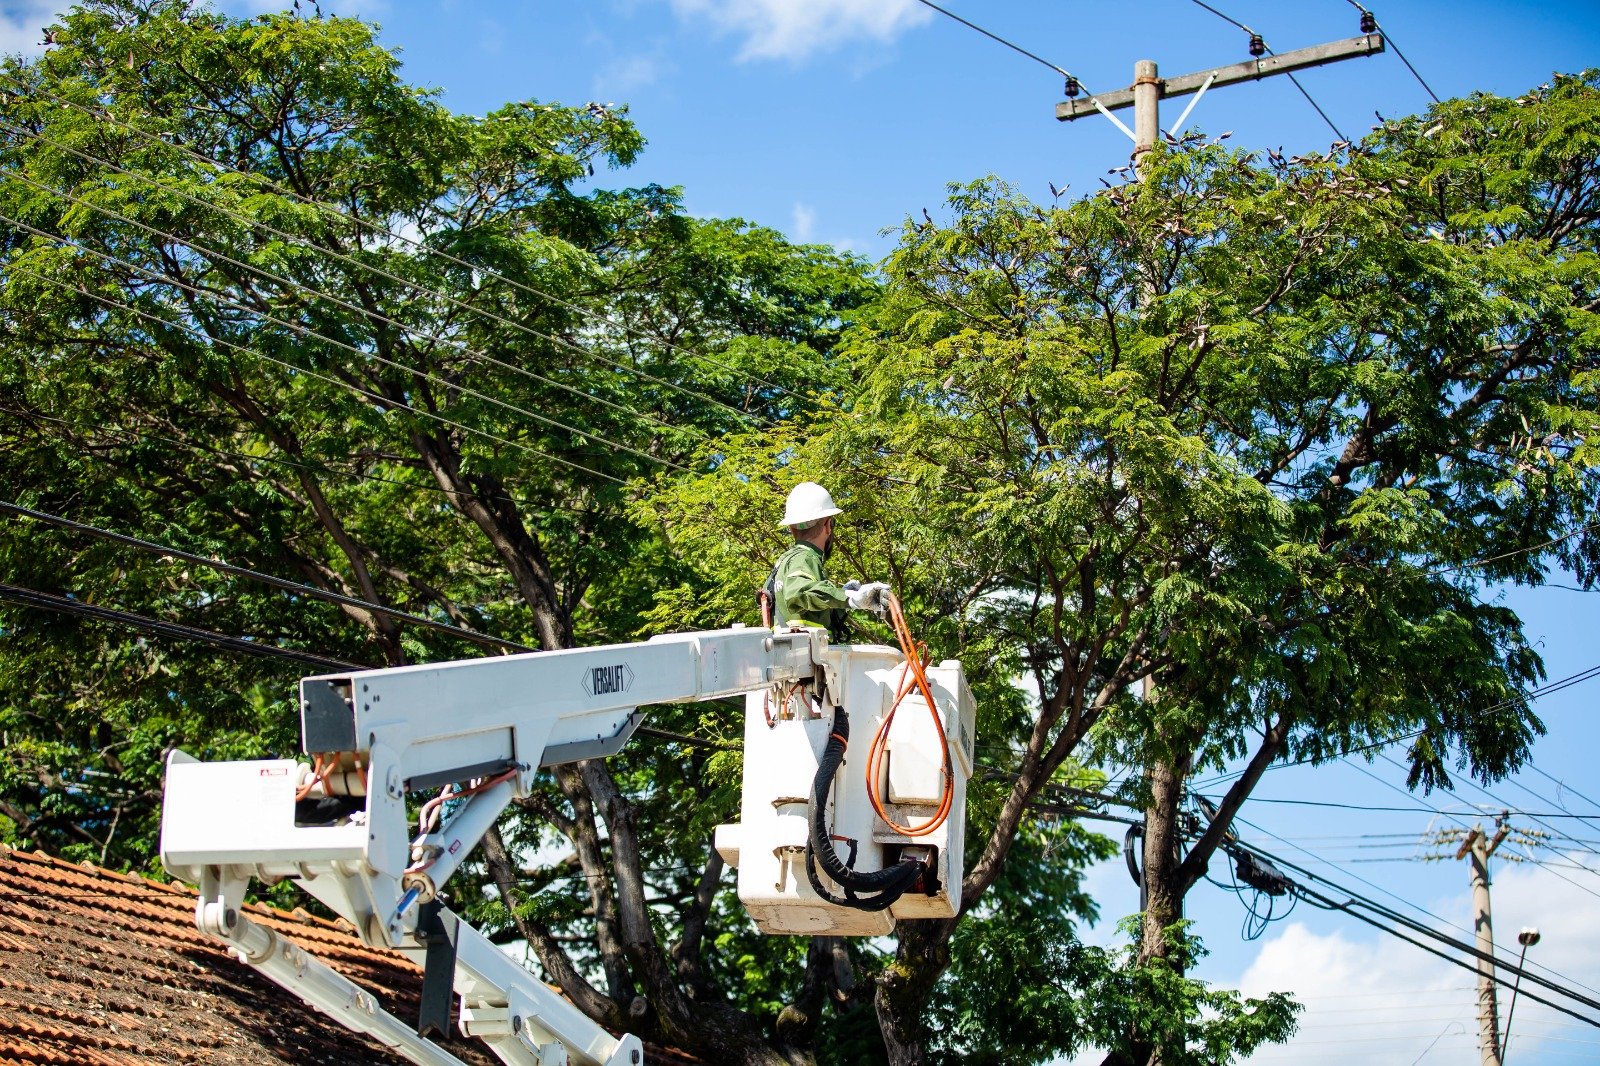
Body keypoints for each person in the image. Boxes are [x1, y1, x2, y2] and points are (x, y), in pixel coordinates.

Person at [765, 482, 890, 640]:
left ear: (791, 528)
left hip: (799, 657)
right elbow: (798, 592)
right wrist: (849, 597)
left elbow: (806, 610)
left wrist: (840, 604)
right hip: (809, 660)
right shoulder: (804, 558)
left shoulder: (786, 561)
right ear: (828, 525)